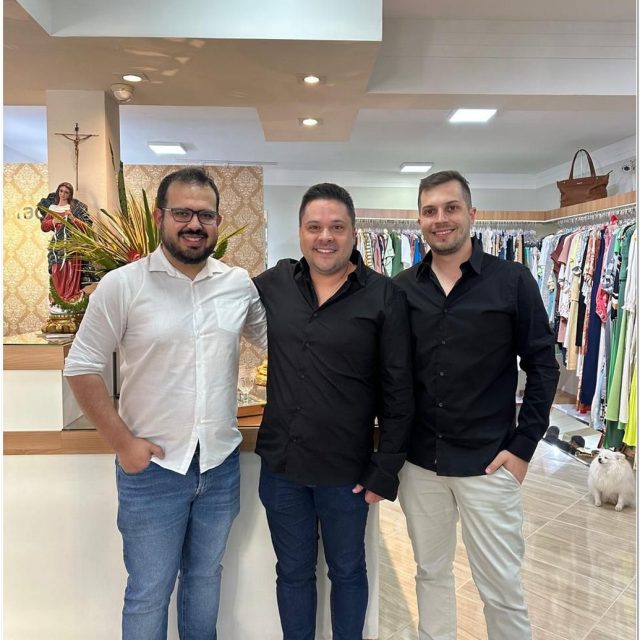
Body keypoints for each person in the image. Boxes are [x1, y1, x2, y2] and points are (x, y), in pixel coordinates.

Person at [64, 167, 267, 640]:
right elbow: (81, 366)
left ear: (218, 222)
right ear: (159, 217)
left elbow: (282, 342)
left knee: (205, 580)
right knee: (149, 592)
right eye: (182, 213)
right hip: (152, 471)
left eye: (205, 215)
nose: (194, 224)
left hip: (219, 466)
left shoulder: (238, 284)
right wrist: (123, 443)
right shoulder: (122, 285)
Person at [394, 170, 560, 640]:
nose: (440, 219)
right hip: (420, 464)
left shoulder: (512, 281)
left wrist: (523, 447)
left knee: (501, 588)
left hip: (489, 463)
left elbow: (542, 365)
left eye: (451, 208)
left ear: (472, 213)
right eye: (429, 211)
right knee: (430, 575)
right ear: (419, 220)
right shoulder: (401, 288)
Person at [253, 182, 413, 640]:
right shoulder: (273, 285)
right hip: (282, 469)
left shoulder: (384, 296)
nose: (325, 237)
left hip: (348, 473)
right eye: (315, 227)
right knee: (292, 572)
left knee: (347, 571)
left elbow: (399, 391)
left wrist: (386, 468)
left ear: (354, 233)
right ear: (300, 232)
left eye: (337, 227)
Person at [38, 181, 93, 302]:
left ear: (70, 194)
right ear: (58, 191)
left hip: (72, 245)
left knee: (71, 270)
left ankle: (71, 298)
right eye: (61, 191)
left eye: (66, 192)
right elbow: (44, 227)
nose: (63, 194)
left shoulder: (74, 209)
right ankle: (60, 298)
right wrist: (53, 221)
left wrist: (73, 219)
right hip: (57, 245)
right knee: (56, 268)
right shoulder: (52, 208)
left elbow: (86, 228)